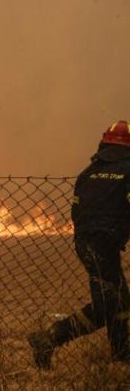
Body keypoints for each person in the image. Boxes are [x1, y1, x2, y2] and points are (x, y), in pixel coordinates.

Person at [28, 120, 130, 370]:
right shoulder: (129, 170)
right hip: (105, 245)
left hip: (85, 243)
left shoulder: (88, 173)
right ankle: (51, 337)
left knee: (117, 300)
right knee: (108, 304)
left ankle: (121, 353)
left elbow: (77, 212)